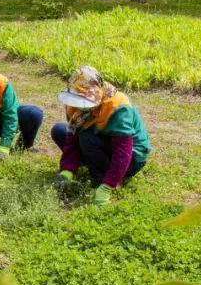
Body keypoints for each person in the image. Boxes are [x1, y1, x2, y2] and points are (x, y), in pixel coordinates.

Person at [50, 66, 151, 206]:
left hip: (131, 158)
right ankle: (88, 164)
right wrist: (67, 170)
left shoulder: (118, 107)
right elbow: (72, 138)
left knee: (86, 138)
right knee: (59, 130)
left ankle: (104, 178)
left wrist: (108, 185)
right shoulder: (74, 106)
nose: (80, 107)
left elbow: (123, 152)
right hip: (102, 142)